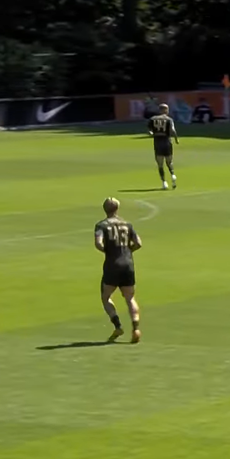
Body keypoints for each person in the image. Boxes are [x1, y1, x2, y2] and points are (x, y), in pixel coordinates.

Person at [94, 197, 143, 343]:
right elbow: (138, 243)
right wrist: (128, 251)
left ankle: (118, 326)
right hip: (128, 264)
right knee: (130, 298)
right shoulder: (127, 224)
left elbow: (98, 243)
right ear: (117, 209)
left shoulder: (101, 225)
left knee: (106, 297)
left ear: (104, 209)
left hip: (112, 265)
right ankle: (136, 328)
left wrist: (109, 251)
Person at [148, 103, 179, 190]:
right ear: (166, 110)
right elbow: (173, 130)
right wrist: (176, 139)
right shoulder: (169, 119)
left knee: (160, 164)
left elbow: (150, 131)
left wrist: (152, 133)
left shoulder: (153, 119)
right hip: (167, 142)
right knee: (169, 162)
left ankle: (164, 182)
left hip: (158, 142)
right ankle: (172, 174)